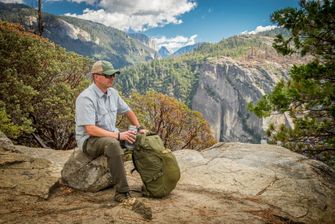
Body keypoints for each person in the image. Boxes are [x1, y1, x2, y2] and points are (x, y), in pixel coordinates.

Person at [75, 60, 144, 203]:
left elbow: (128, 111)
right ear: (96, 77)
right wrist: (118, 135)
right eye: (108, 75)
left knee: (142, 139)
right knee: (113, 145)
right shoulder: (86, 98)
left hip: (111, 135)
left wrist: (139, 128)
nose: (112, 78)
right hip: (90, 140)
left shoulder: (113, 93)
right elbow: (90, 129)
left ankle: (152, 184)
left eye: (113, 75)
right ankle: (122, 192)